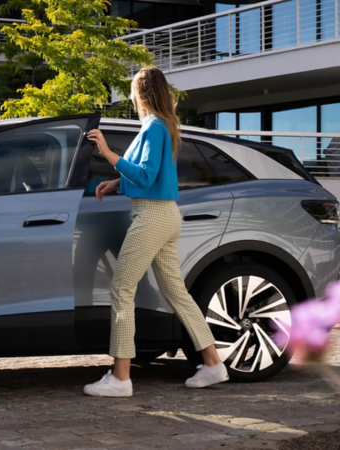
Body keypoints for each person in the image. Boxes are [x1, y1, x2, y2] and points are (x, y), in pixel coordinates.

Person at [82, 67, 229, 397]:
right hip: (165, 215)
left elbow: (147, 177)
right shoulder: (164, 126)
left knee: (121, 287)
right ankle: (213, 363)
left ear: (142, 94)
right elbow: (154, 175)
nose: (130, 98)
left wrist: (107, 153)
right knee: (176, 291)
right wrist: (118, 181)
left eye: (133, 91)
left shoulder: (153, 127)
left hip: (151, 216)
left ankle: (120, 378)